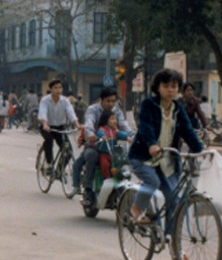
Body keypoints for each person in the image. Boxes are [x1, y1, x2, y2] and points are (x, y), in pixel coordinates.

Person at [127, 69, 203, 224]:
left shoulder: (178, 108)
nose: (170, 90)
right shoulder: (149, 104)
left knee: (173, 197)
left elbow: (187, 130)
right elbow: (146, 127)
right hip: (143, 158)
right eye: (166, 86)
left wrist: (200, 149)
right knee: (152, 181)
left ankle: (171, 239)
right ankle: (136, 208)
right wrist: (151, 145)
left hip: (166, 160)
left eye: (174, 86)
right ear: (158, 87)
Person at [71, 86, 133, 201]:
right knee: (91, 156)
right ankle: (89, 189)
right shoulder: (92, 110)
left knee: (125, 157)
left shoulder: (117, 112)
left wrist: (133, 137)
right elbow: (89, 123)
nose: (111, 104)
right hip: (96, 145)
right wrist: (90, 135)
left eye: (113, 101)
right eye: (108, 101)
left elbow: (125, 126)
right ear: (102, 100)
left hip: (112, 146)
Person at [38, 79, 81, 172]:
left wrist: (77, 125)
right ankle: (49, 163)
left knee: (68, 150)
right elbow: (43, 113)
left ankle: (59, 170)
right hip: (47, 127)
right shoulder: (45, 100)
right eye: (55, 88)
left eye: (60, 88)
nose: (58, 90)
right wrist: (45, 124)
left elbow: (71, 113)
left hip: (60, 127)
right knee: (49, 141)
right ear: (51, 89)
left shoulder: (65, 101)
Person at [95, 110, 129, 179]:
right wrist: (103, 137)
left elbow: (120, 134)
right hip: (104, 153)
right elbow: (100, 133)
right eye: (112, 119)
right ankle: (107, 178)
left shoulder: (115, 130)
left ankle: (119, 177)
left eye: (115, 119)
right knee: (105, 164)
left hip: (113, 153)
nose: (115, 121)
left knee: (120, 162)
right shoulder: (103, 129)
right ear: (106, 120)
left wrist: (127, 137)